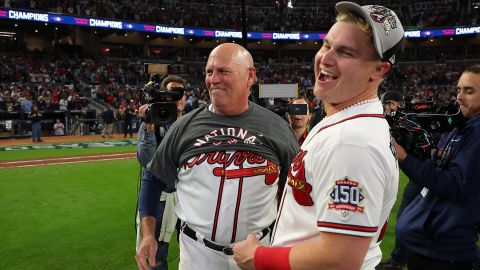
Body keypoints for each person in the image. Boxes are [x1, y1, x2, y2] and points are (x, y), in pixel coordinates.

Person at [232, 2, 404, 269]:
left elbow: (341, 258)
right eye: (327, 45)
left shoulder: (350, 141)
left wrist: (258, 257)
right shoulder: (347, 122)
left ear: (379, 70)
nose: (326, 58)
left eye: (345, 52)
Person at [135, 43, 299, 270]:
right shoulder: (184, 126)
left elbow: (297, 191)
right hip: (197, 255)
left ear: (250, 76)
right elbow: (153, 179)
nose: (213, 79)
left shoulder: (277, 128)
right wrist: (147, 234)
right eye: (209, 72)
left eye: (223, 71)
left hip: (259, 252)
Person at [394, 65, 480, 270]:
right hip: (427, 246)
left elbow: (453, 184)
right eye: (458, 89)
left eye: (469, 91)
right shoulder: (459, 128)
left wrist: (405, 159)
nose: (459, 96)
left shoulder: (476, 134)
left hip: (445, 252)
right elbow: (434, 168)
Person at [135, 74, 188, 270]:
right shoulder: (153, 121)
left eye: (181, 93)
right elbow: (149, 162)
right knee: (157, 252)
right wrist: (149, 125)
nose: (178, 97)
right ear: (164, 96)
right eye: (172, 92)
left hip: (186, 195)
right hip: (160, 196)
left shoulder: (192, 122)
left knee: (193, 246)